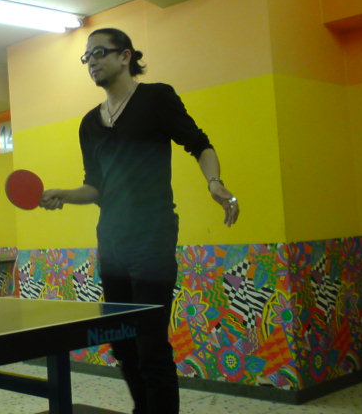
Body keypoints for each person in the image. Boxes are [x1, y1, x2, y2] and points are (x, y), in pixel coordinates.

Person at [40, 28, 239, 414]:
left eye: (99, 52)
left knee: (150, 344)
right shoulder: (89, 123)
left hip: (152, 235)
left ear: (125, 56)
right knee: (121, 342)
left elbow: (199, 144)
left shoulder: (156, 98)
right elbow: (95, 187)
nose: (92, 62)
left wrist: (214, 182)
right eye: (87, 57)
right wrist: (63, 194)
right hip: (111, 241)